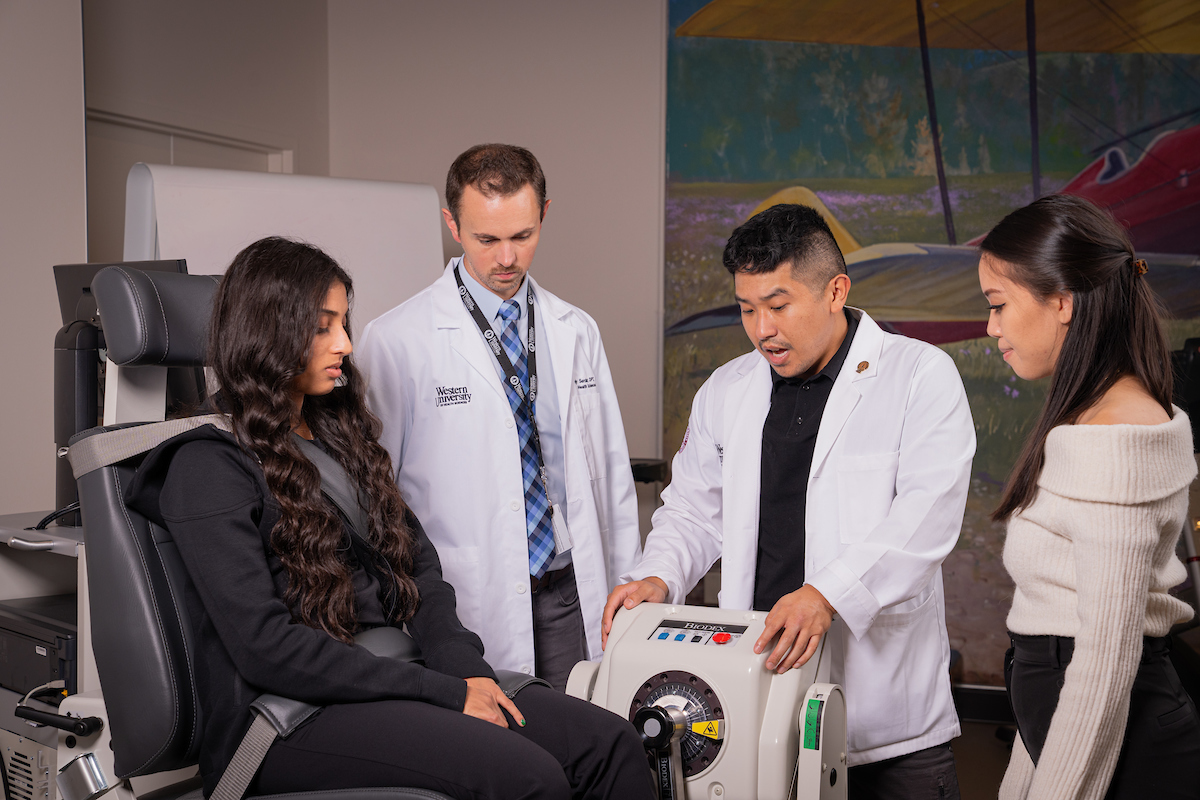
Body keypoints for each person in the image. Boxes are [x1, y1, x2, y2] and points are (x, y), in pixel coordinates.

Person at [125, 237, 654, 800]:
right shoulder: (207, 466)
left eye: (343, 324)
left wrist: (463, 669)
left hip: (385, 677)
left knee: (609, 743)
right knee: (528, 776)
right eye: (322, 327)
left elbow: (419, 567)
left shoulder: (336, 436)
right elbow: (265, 649)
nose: (346, 345)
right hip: (282, 718)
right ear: (269, 332)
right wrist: (444, 693)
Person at [604, 203, 975, 799]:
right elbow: (695, 510)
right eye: (747, 309)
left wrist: (827, 593)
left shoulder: (918, 376)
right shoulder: (728, 389)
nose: (761, 329)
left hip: (885, 713)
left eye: (779, 306)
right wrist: (658, 576)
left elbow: (927, 516)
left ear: (836, 290)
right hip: (760, 692)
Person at [358, 144, 641, 690]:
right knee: (495, 760)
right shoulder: (396, 341)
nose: (506, 259)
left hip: (567, 589)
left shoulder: (575, 329)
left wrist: (627, 588)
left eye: (523, 236)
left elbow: (610, 473)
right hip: (468, 596)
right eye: (487, 239)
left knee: (581, 737)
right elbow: (375, 493)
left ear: (544, 215)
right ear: (452, 224)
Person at [977, 195, 1200, 800]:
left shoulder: (1115, 438)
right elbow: (1050, 632)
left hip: (1133, 758)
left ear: (1063, 301)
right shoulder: (1089, 418)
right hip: (1075, 730)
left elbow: (1102, 666)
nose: (991, 327)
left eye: (999, 305)